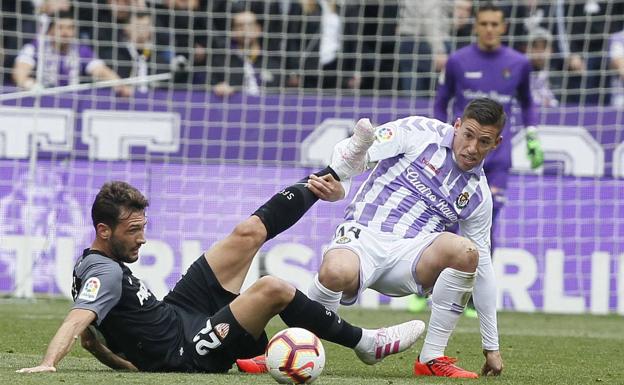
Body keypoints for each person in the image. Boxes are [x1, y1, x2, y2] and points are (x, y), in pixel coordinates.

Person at [16, 168, 424, 374]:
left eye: (143, 228)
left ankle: (332, 169)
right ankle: (365, 342)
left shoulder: (93, 268)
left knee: (247, 233)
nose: (142, 239)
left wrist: (124, 365)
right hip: (186, 352)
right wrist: (50, 363)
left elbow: (92, 341)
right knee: (271, 288)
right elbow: (78, 323)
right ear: (103, 231)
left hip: (176, 313)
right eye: (133, 231)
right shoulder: (102, 274)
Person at [306, 98, 506, 378]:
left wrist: (491, 346)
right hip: (364, 236)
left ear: (496, 143)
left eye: (484, 142)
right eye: (467, 135)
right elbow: (360, 156)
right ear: (457, 125)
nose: (472, 148)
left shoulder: (478, 195)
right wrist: (342, 184)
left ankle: (432, 358)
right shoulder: (419, 130)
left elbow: (483, 267)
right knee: (334, 272)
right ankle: (297, 345)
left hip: (411, 257)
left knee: (469, 252)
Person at [434, 2, 543, 250]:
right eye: (484, 24)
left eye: (494, 24)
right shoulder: (457, 61)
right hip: (459, 155)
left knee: (486, 222)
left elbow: (528, 103)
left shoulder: (519, 64)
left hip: (497, 159)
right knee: (447, 220)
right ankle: (428, 287)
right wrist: (443, 134)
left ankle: (478, 288)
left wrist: (532, 135)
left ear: (503, 27)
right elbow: (440, 102)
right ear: (476, 26)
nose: (489, 29)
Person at [11, 10, 131, 96]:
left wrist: (119, 85)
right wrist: (30, 84)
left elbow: (100, 70)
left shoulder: (81, 49)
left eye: (70, 28)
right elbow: (19, 72)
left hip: (71, 101)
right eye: (61, 27)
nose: (65, 32)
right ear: (50, 30)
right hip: (42, 99)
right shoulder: (36, 46)